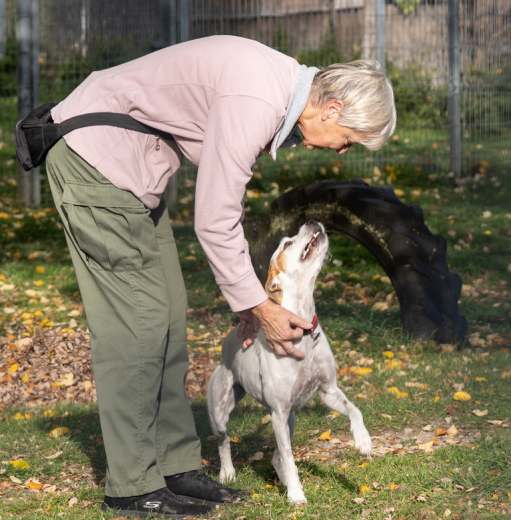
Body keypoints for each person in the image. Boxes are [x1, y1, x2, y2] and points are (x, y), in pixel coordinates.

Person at [44, 35, 396, 518]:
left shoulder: (278, 90)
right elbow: (213, 219)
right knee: (139, 326)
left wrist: (250, 302)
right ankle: (131, 484)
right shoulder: (258, 97)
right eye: (349, 141)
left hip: (132, 174)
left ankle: (172, 466)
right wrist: (259, 307)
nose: (340, 153)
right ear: (332, 109)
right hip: (96, 163)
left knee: (167, 315)